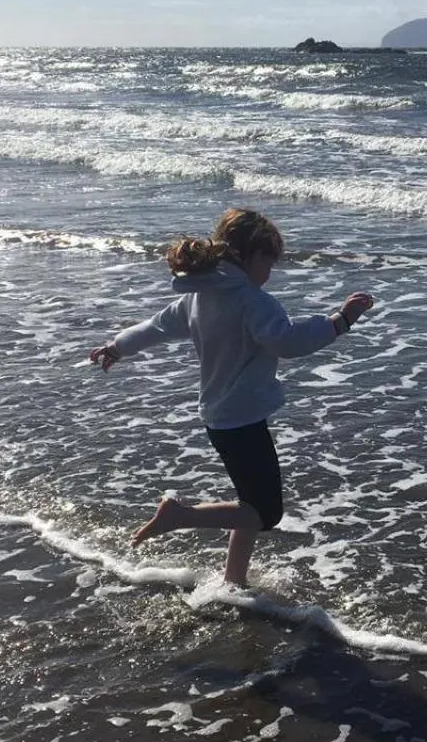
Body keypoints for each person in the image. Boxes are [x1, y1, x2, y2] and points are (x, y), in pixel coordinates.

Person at [90, 208, 374, 586]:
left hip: (219, 416)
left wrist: (116, 346)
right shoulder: (253, 301)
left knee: (248, 504)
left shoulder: (198, 297)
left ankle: (233, 580)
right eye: (268, 261)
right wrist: (340, 322)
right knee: (265, 513)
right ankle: (180, 516)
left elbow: (155, 327)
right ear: (249, 256)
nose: (269, 272)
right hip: (241, 419)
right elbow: (286, 341)